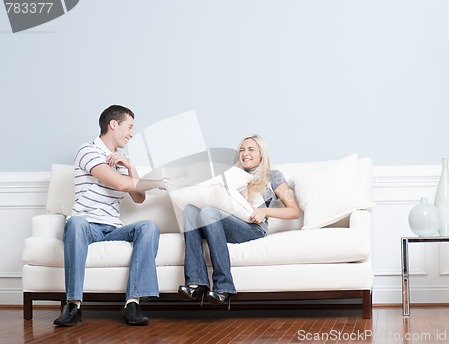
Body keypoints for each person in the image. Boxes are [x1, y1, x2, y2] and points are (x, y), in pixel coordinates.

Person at [53, 105, 167, 327]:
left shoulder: (120, 159)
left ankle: (132, 303)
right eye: (129, 126)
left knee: (149, 226)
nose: (131, 133)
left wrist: (131, 165)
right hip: (87, 225)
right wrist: (158, 183)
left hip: (113, 228)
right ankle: (73, 305)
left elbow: (138, 198)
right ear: (113, 124)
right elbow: (119, 183)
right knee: (75, 222)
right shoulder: (87, 150)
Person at [178, 134, 300, 308]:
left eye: (251, 149)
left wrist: (264, 210)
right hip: (224, 225)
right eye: (242, 150)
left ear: (261, 154)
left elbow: (293, 211)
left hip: (253, 228)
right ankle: (196, 283)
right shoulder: (231, 176)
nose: (245, 154)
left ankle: (224, 286)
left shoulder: (273, 176)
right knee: (190, 209)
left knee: (208, 212)